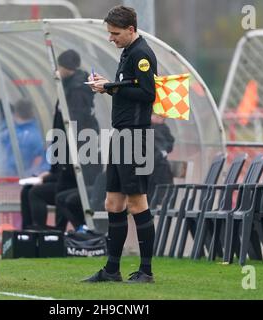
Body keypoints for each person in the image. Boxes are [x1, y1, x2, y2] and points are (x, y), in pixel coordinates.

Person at [83, 6, 157, 283]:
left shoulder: (141, 54)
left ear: (131, 29)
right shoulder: (127, 52)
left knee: (137, 203)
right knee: (113, 202)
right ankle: (112, 270)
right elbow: (128, 87)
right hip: (121, 135)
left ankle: (146, 271)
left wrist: (112, 87)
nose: (111, 38)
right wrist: (110, 85)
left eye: (115, 34)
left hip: (136, 137)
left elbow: (148, 92)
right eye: (109, 33)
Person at [20, 49, 100, 231]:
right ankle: (31, 232)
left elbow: (73, 128)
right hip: (66, 163)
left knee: (43, 193)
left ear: (64, 68)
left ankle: (46, 233)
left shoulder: (77, 91)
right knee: (31, 190)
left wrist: (58, 167)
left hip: (75, 164)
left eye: (59, 67)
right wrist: (51, 171)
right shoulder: (68, 88)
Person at [0, 98, 49, 177]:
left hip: (8, 179)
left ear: (15, 114)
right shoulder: (38, 135)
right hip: (25, 178)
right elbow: (39, 163)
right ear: (32, 113)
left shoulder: (8, 133)